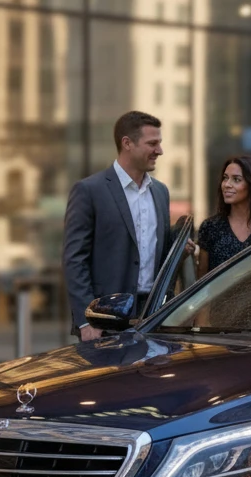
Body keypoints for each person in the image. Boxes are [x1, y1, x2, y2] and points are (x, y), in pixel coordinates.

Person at [63, 111, 173, 341]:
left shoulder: (161, 192)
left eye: (159, 143)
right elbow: (75, 260)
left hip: (154, 317)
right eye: (152, 143)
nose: (160, 150)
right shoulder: (89, 190)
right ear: (127, 143)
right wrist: (86, 321)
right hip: (104, 319)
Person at [189, 155, 251, 329]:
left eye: (236, 180)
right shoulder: (211, 227)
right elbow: (203, 283)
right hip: (223, 327)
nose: (227, 184)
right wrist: (200, 324)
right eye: (225, 178)